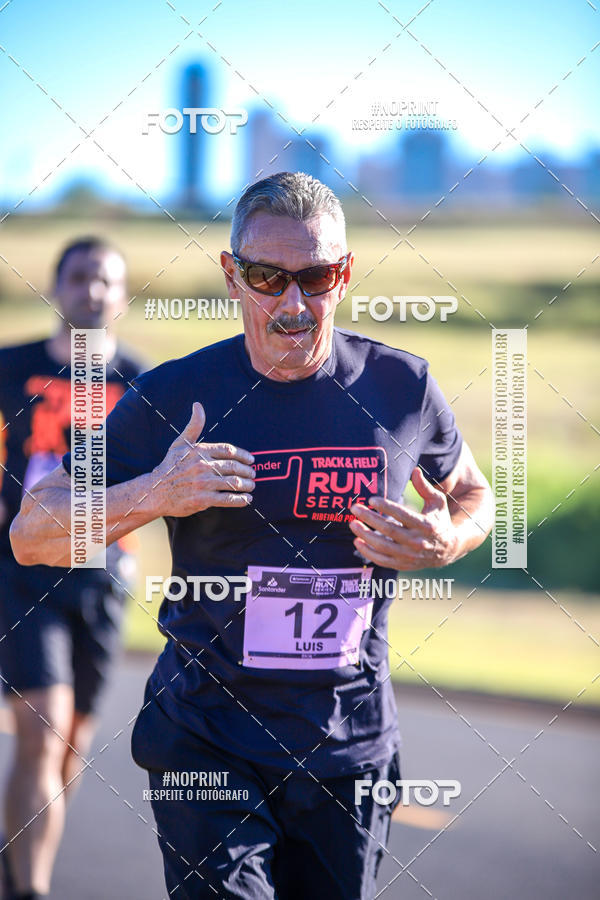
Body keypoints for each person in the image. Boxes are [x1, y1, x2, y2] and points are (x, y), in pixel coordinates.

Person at [10, 174, 494, 899]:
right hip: (206, 737)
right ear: (232, 276)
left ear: (346, 273)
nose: (293, 303)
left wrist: (445, 540)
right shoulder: (174, 395)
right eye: (268, 277)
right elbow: (32, 531)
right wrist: (156, 492)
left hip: (349, 743)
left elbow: (472, 494)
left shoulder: (404, 387)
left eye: (316, 277)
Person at [0, 237, 146, 900]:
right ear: (56, 288)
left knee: (69, 745)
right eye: (80, 277)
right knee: (43, 726)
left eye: (105, 280)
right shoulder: (11, 369)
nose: (92, 290)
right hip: (21, 576)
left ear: (120, 295)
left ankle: (18, 863)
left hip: (101, 584)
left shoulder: (145, 385)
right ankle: (31, 890)